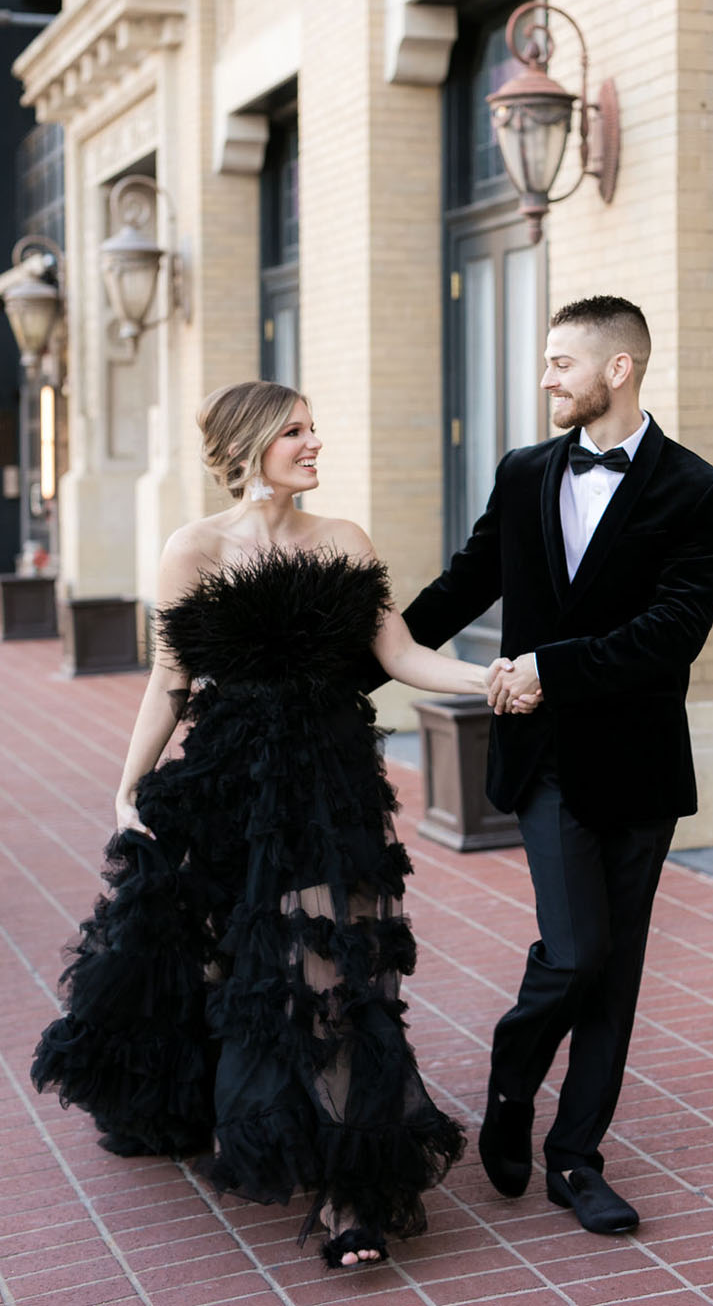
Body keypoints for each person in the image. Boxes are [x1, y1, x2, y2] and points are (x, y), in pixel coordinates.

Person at [31, 381, 528, 1270]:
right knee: (232, 967)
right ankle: (218, 1108)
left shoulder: (343, 540)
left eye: (313, 428)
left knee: (333, 973)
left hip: (329, 787)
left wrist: (492, 677)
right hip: (228, 789)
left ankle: (349, 1193)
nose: (314, 443)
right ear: (248, 445)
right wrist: (128, 785)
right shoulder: (193, 549)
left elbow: (401, 654)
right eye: (295, 431)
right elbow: (170, 682)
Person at [399, 295, 713, 1235]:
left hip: (641, 766)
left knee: (614, 972)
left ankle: (577, 1157)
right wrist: (359, 659)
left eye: (561, 362)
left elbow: (673, 633)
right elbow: (462, 586)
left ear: (618, 368)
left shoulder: (700, 491)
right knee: (578, 950)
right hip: (545, 760)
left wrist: (548, 667)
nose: (546, 377)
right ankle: (513, 1083)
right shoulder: (523, 473)